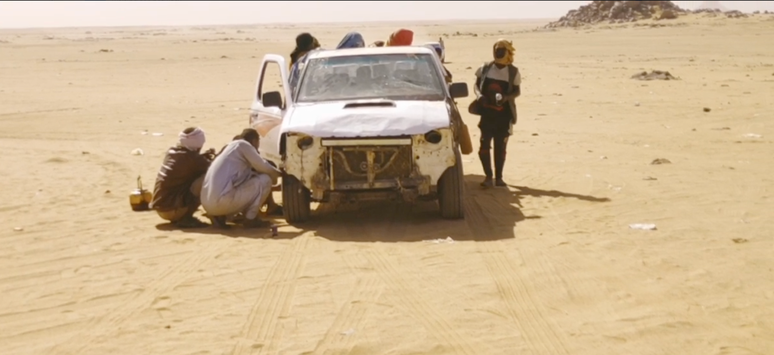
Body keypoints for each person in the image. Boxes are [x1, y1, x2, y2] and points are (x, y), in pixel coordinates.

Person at [200, 128, 282, 229]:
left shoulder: (230, 150)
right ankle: (251, 219)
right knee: (265, 180)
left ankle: (221, 216)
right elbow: (263, 166)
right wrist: (282, 175)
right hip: (222, 201)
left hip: (208, 205)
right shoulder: (243, 145)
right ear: (255, 141)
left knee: (252, 181)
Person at [473, 39, 521, 188]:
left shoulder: (513, 72)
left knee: (500, 147)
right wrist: (479, 96)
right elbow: (476, 84)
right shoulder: (485, 68)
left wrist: (506, 98)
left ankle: (499, 177)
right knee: (484, 145)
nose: (497, 52)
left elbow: (517, 91)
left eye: (501, 49)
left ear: (508, 52)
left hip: (504, 115)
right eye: (496, 49)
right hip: (487, 113)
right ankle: (488, 176)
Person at [149, 127, 215, 228]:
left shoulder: (173, 152)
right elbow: (214, 167)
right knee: (209, 177)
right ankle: (186, 217)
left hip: (161, 209)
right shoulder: (192, 158)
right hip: (172, 210)